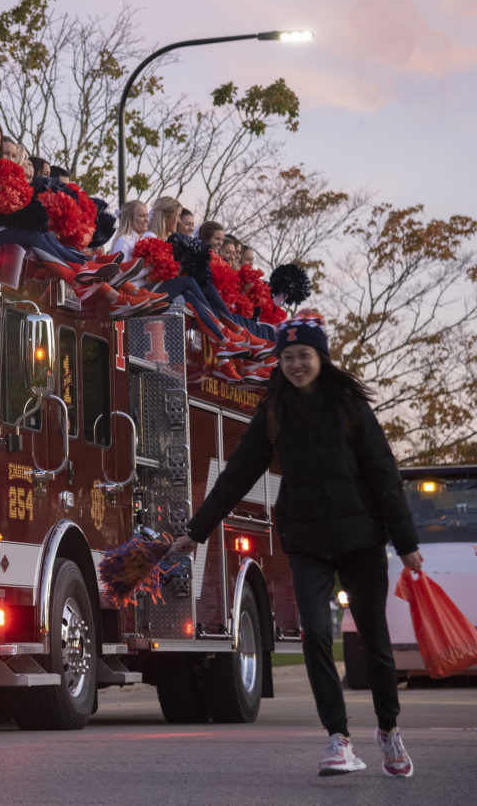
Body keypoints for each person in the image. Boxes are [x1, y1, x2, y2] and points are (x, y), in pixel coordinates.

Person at [174, 312, 421, 778]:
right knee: (315, 636)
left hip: (360, 538)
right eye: (287, 357)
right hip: (305, 539)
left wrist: (406, 541)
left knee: (375, 642)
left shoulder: (348, 405)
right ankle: (338, 739)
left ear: (321, 358)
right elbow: (236, 476)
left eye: (303, 355)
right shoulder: (274, 411)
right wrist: (197, 531)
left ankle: (388, 730)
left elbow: (385, 474)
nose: (295, 364)